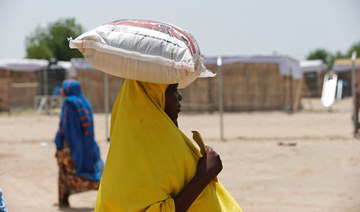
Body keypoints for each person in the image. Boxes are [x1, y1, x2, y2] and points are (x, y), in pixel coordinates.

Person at [95, 79, 241, 211]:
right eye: (173, 89)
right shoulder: (146, 152)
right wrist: (203, 176)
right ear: (153, 96)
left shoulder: (158, 139)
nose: (179, 97)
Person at [55, 79, 104, 207]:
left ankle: (63, 199)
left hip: (70, 147)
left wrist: (58, 140)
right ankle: (106, 191)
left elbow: (64, 126)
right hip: (88, 146)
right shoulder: (85, 102)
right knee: (92, 170)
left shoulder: (69, 104)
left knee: (65, 172)